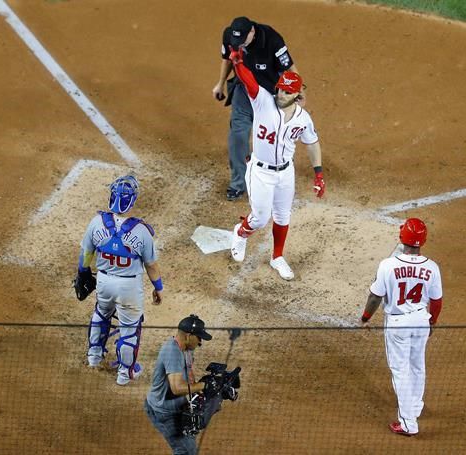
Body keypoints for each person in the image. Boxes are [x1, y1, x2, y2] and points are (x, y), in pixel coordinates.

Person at [227, 46, 325, 281]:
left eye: (286, 92)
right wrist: (238, 64)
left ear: (296, 94)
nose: (280, 94)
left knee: (282, 216)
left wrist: (318, 175)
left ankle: (277, 256)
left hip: (285, 173)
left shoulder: (303, 119)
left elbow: (312, 144)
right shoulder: (263, 101)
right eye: (280, 89)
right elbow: (250, 83)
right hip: (260, 171)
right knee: (260, 218)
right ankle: (240, 233)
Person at [77, 175, 164, 386]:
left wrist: (83, 272)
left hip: (104, 283)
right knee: (130, 328)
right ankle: (125, 374)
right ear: (132, 201)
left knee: (101, 313)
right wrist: (158, 287)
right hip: (129, 287)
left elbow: (86, 253)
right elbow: (151, 265)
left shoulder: (96, 222)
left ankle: (94, 356)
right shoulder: (142, 231)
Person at [360, 218, 443, 436]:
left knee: (400, 370)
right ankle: (415, 407)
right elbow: (436, 302)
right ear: (422, 240)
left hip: (398, 324)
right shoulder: (432, 267)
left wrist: (366, 316)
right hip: (421, 321)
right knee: (417, 365)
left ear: (402, 238)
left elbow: (375, 296)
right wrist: (431, 322)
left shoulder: (388, 265)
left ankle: (408, 423)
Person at [212, 16, 298, 201]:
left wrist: (293, 94)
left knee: (273, 138)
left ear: (252, 32)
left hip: (270, 94)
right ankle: (238, 183)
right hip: (244, 91)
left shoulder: (272, 39)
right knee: (238, 134)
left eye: (242, 40)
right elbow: (227, 60)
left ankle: (279, 179)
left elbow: (289, 68)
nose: (239, 45)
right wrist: (220, 84)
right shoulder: (230, 37)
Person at [144, 314, 213, 455]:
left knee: (189, 440)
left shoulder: (187, 350)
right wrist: (204, 385)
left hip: (175, 406)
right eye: (199, 337)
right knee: (186, 451)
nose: (200, 342)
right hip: (163, 410)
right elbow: (176, 388)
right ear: (188, 336)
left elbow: (187, 379)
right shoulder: (173, 351)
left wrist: (202, 389)